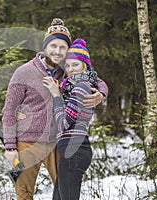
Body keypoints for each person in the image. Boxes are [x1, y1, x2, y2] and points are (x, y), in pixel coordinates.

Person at [2, 18, 108, 200]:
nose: (57, 51)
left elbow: (97, 80)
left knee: (63, 191)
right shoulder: (24, 72)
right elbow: (9, 110)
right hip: (27, 142)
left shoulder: (67, 70)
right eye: (53, 45)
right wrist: (10, 147)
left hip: (57, 143)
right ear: (45, 46)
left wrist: (101, 94)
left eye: (62, 47)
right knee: (24, 193)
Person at [43, 38, 98, 200]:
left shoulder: (81, 87)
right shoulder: (73, 86)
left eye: (75, 65)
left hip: (75, 150)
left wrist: (55, 95)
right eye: (67, 65)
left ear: (84, 66)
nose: (70, 69)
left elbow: (64, 123)